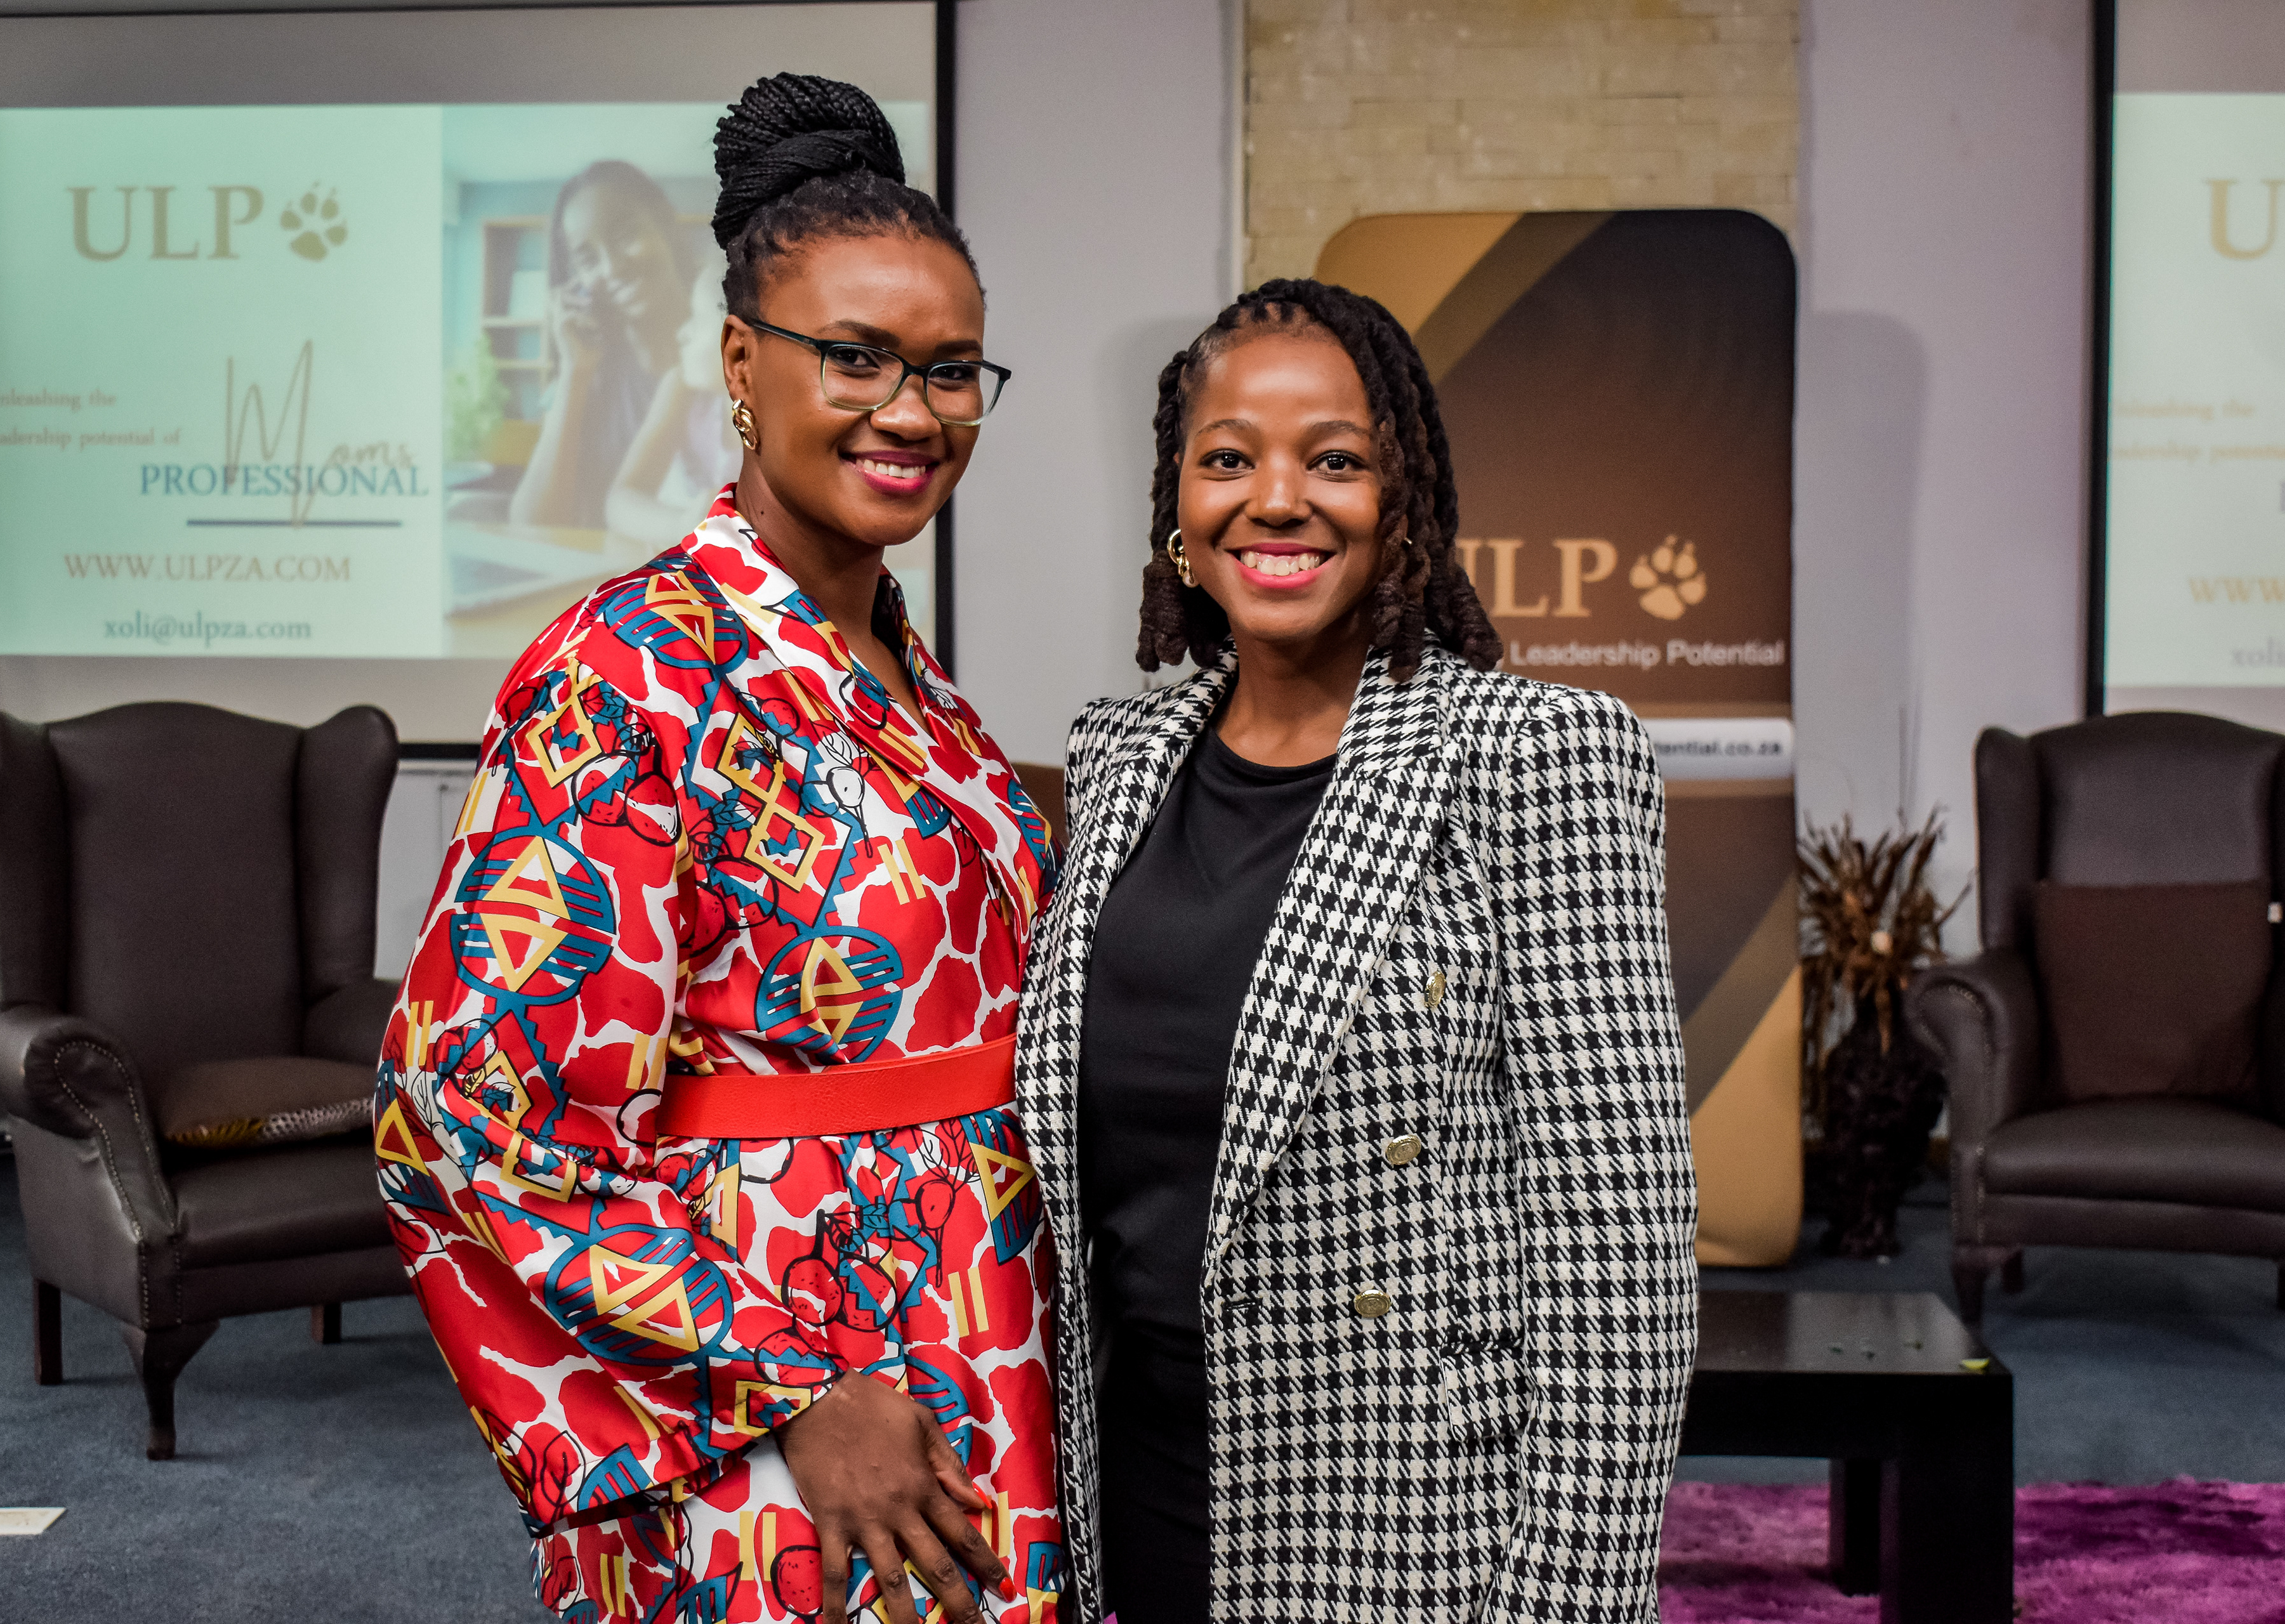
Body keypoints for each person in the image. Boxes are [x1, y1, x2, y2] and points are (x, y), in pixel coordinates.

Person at [381, 75, 1059, 1624]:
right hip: (791, 1371)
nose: (912, 411)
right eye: (856, 357)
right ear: (743, 363)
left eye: (952, 371)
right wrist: (791, 1385)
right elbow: (467, 1099)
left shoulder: (907, 671)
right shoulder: (625, 669)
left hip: (984, 1324)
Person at [1013, 279, 1699, 1623]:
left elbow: (1620, 1254)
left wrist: (1566, 1604)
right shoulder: (1117, 757)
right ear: (1177, 506)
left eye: (1334, 460)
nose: (1277, 500)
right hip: (1135, 1480)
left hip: (1410, 1518)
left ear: (1403, 503)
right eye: (1229, 459)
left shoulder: (1537, 756)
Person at [509, 160, 692, 529]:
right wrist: (574, 373)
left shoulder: (731, 353)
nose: (612, 268)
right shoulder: (583, 382)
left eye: (625, 235)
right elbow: (532, 528)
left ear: (665, 227)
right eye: (589, 259)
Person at [603, 247, 745, 549]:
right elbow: (619, 501)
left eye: (696, 319)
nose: (682, 333)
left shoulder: (785, 418)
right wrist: (681, 527)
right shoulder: (681, 389)